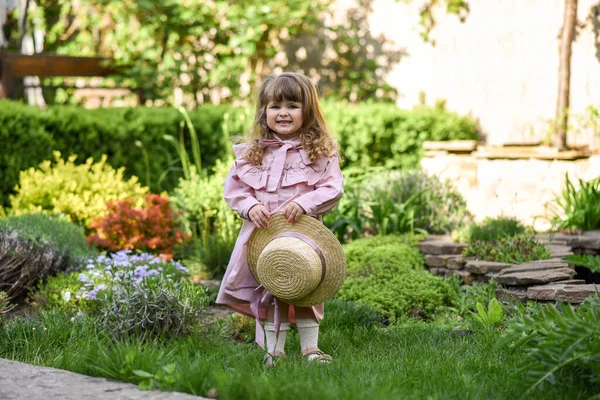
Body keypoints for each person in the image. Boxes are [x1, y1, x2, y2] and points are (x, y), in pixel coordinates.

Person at [216, 72, 344, 365]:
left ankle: (310, 348)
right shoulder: (253, 152)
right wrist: (249, 206)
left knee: (305, 285)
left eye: (292, 106)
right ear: (264, 111)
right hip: (262, 235)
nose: (283, 113)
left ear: (307, 110)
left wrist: (304, 201)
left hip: (303, 235)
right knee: (271, 288)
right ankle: (275, 350)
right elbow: (235, 189)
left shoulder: (319, 151)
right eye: (275, 106)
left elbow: (332, 187)